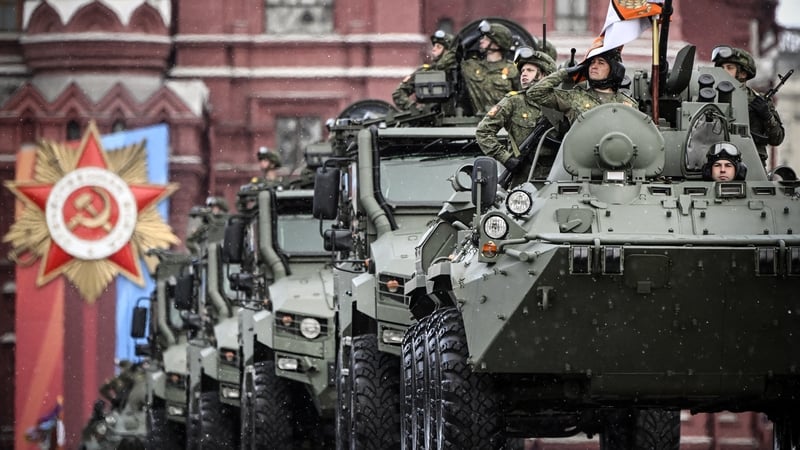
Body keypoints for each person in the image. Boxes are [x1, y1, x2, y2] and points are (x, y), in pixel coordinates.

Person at [475, 47, 556, 186]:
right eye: (522, 71)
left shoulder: (560, 102)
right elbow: (483, 132)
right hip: (522, 177)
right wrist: (506, 159)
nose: (524, 74)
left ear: (545, 75)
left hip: (555, 176)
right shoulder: (514, 101)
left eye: (530, 70)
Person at [711, 45, 784, 166]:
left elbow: (777, 139)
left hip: (752, 164)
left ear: (743, 74)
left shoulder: (759, 101)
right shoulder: (709, 97)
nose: (723, 71)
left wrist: (767, 116)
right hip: (717, 163)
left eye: (729, 68)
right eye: (721, 68)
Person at [525, 46, 637, 125]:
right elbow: (534, 93)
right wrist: (565, 73)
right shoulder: (574, 97)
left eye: (601, 63)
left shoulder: (628, 104)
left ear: (614, 70)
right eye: (592, 62)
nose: (594, 66)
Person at [461, 21, 520, 115]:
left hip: (504, 121)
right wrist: (468, 43)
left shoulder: (513, 70)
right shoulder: (471, 66)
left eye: (486, 38)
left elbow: (523, 99)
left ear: (497, 43)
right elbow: (451, 59)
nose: (481, 40)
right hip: (477, 121)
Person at [392, 30, 456, 110]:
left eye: (438, 47)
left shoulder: (460, 70)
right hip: (432, 116)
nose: (434, 49)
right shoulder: (425, 71)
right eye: (434, 46)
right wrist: (414, 108)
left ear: (447, 52)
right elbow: (398, 93)